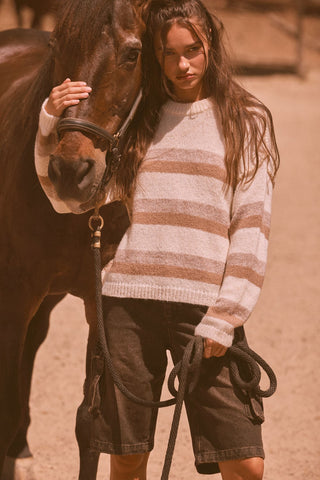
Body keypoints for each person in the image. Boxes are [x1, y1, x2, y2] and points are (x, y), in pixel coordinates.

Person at [34, 0, 280, 478]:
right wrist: (50, 123)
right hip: (126, 304)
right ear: (154, 55)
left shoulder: (247, 120)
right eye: (168, 53)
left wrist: (226, 317)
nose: (182, 65)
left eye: (193, 50)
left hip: (205, 311)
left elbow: (252, 228)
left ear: (212, 46)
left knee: (245, 462)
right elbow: (68, 201)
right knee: (127, 457)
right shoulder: (136, 120)